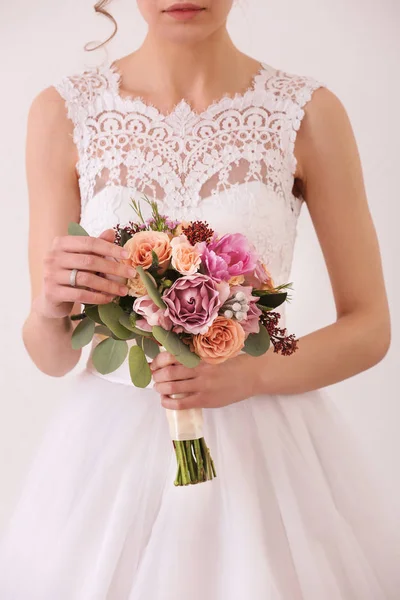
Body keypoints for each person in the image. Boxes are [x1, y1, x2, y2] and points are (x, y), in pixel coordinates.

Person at [0, 1, 398, 598]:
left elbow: (370, 327)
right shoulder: (64, 112)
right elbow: (52, 356)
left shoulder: (307, 111)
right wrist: (47, 307)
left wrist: (255, 375)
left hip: (267, 451)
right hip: (106, 457)